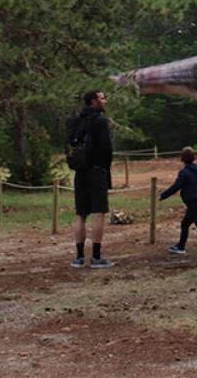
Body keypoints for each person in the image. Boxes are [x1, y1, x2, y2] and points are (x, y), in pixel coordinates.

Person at [69, 89, 114, 269]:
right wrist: (105, 166)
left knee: (81, 214)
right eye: (102, 98)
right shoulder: (101, 121)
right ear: (93, 102)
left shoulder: (78, 120)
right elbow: (106, 148)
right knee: (98, 212)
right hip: (97, 171)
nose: (105, 101)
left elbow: (72, 142)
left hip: (80, 171)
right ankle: (96, 257)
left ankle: (79, 257)